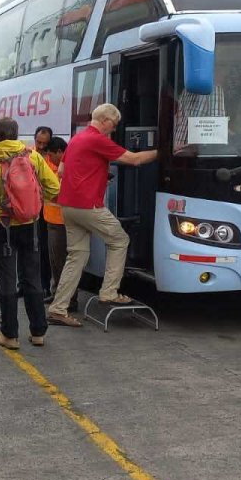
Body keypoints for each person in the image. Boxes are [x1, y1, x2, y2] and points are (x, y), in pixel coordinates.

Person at [46, 104, 158, 325]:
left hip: (67, 206)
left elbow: (62, 171)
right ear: (105, 120)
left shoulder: (77, 138)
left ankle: (58, 309)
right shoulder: (97, 139)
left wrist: (94, 174)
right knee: (119, 240)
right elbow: (134, 159)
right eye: (113, 125)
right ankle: (109, 292)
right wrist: (164, 151)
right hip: (88, 205)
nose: (113, 130)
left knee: (76, 256)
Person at [0, 117, 60, 349]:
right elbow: (54, 187)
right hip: (30, 225)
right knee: (32, 278)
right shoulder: (32, 156)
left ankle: (10, 335)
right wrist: (34, 206)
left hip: (2, 226)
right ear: (16, 133)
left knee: (7, 281)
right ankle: (38, 332)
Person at [42, 136, 79, 325]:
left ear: (60, 152)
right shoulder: (50, 163)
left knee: (64, 262)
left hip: (63, 222)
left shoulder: (70, 166)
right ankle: (57, 293)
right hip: (51, 220)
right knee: (55, 261)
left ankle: (69, 299)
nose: (50, 158)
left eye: (52, 155)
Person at [33, 126, 55, 299]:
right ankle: (24, 285)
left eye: (44, 144)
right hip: (30, 208)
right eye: (38, 142)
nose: (41, 146)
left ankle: (44, 286)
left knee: (44, 249)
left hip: (46, 210)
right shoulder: (28, 154)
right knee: (27, 248)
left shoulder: (52, 159)